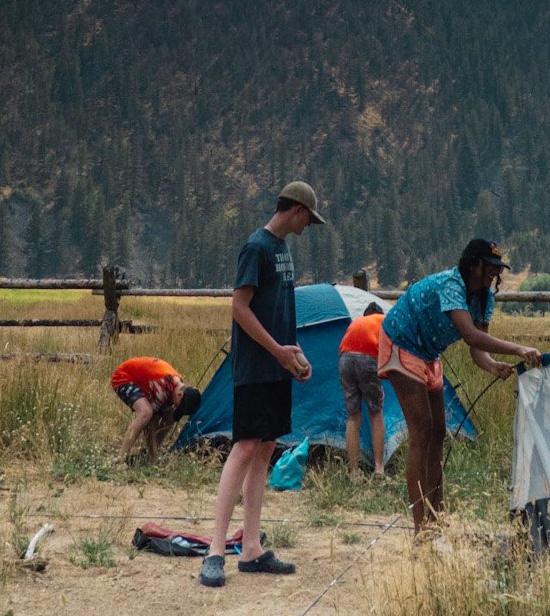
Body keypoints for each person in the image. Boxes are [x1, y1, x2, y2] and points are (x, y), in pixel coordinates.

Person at [199, 181, 322, 589]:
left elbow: (277, 310)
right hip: (255, 367)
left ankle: (251, 548)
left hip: (277, 366)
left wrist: (294, 353)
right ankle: (215, 550)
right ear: (297, 210)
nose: (309, 226)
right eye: (309, 218)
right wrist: (276, 352)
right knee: (245, 446)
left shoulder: (282, 249)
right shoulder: (257, 247)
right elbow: (239, 307)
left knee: (267, 446)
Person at [378, 237, 543, 533]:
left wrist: (492, 365)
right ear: (474, 264)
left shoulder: (484, 297)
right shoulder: (450, 286)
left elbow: (478, 349)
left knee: (438, 431)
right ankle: (421, 527)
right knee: (422, 431)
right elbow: (469, 335)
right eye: (490, 267)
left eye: (498, 269)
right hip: (401, 343)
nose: (495, 274)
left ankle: (437, 513)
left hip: (428, 353)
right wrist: (518, 349)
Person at [110, 354, 201, 462]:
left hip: (144, 382)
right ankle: (121, 458)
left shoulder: (177, 385)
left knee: (171, 415)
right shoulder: (163, 385)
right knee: (146, 413)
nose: (177, 407)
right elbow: (150, 425)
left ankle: (150, 453)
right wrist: (155, 457)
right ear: (180, 395)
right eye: (179, 405)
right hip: (123, 377)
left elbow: (168, 416)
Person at [338, 301, 387, 480]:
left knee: (353, 416)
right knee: (375, 412)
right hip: (367, 358)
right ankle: (379, 469)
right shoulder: (383, 320)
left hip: (344, 358)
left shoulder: (357, 321)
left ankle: (354, 473)